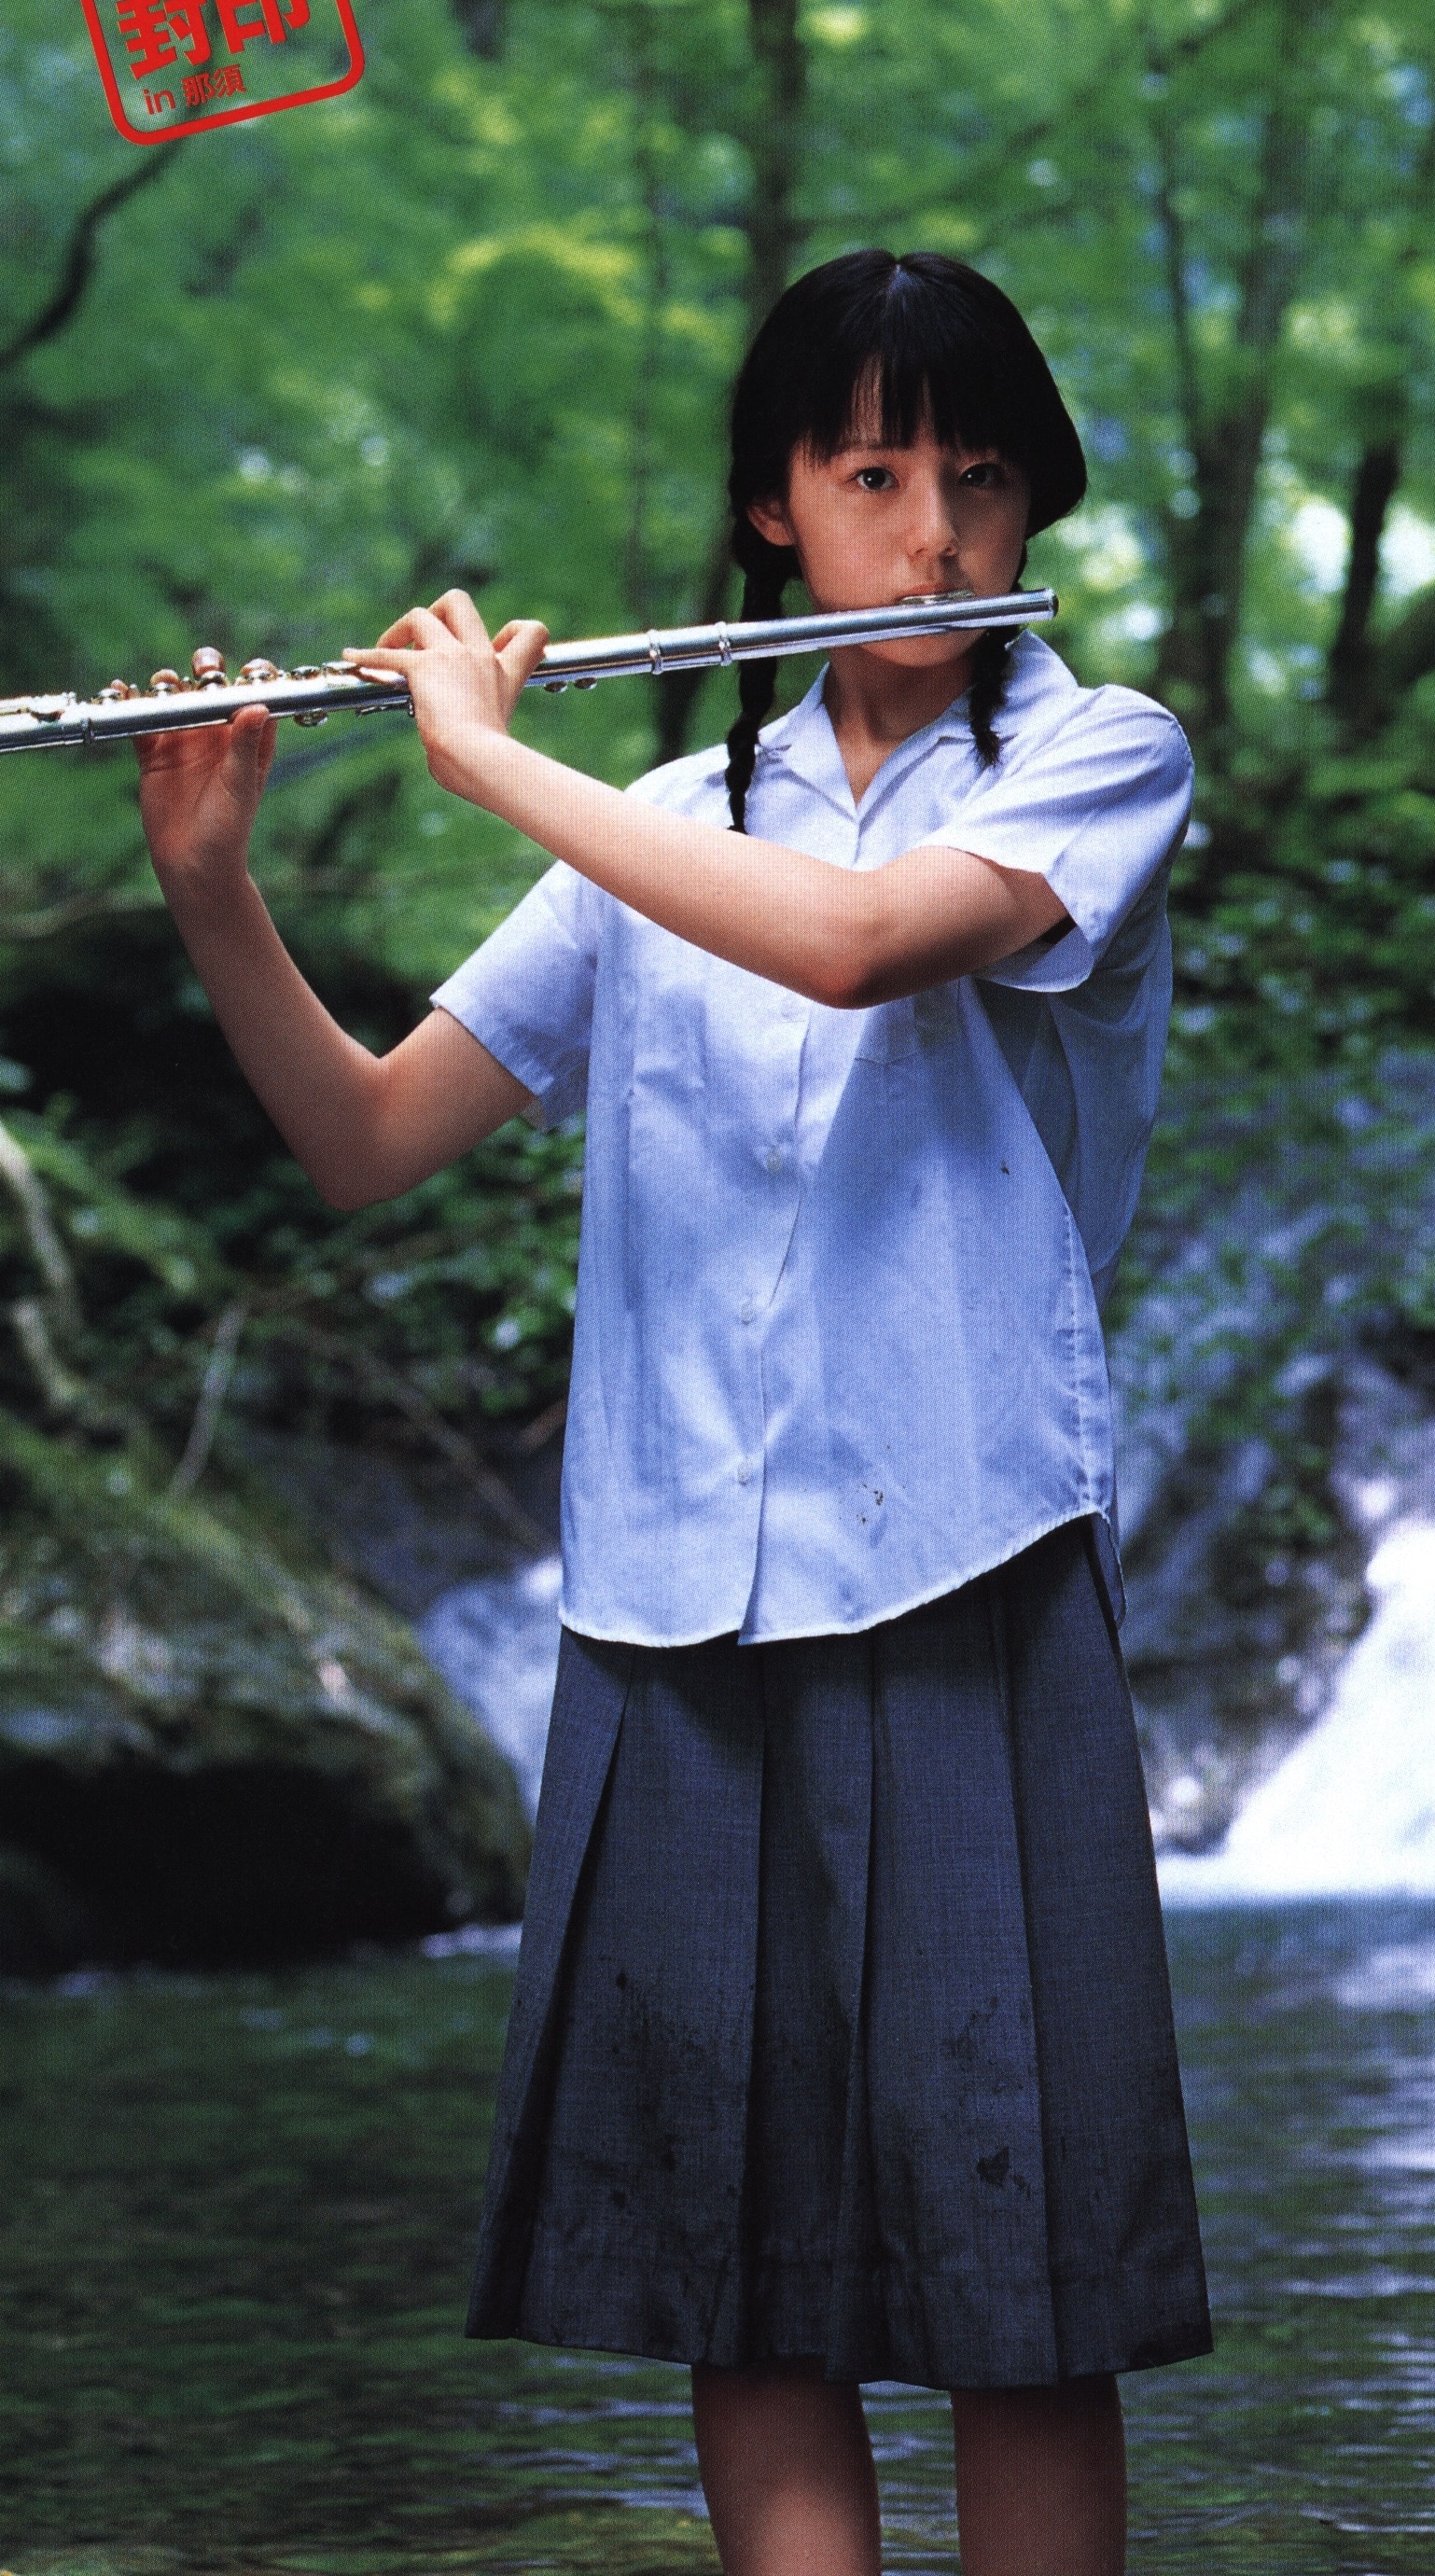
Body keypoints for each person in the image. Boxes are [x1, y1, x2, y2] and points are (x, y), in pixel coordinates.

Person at [135, 247, 1210, 2576]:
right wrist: (216, 892)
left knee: (1021, 2296)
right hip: (668, 1608)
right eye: (873, 473)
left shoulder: (1093, 758)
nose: (934, 534)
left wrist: (484, 760)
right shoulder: (651, 817)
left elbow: (846, 941)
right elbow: (366, 1135)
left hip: (966, 1565)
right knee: (745, 2278)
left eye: (984, 477)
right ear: (771, 516)